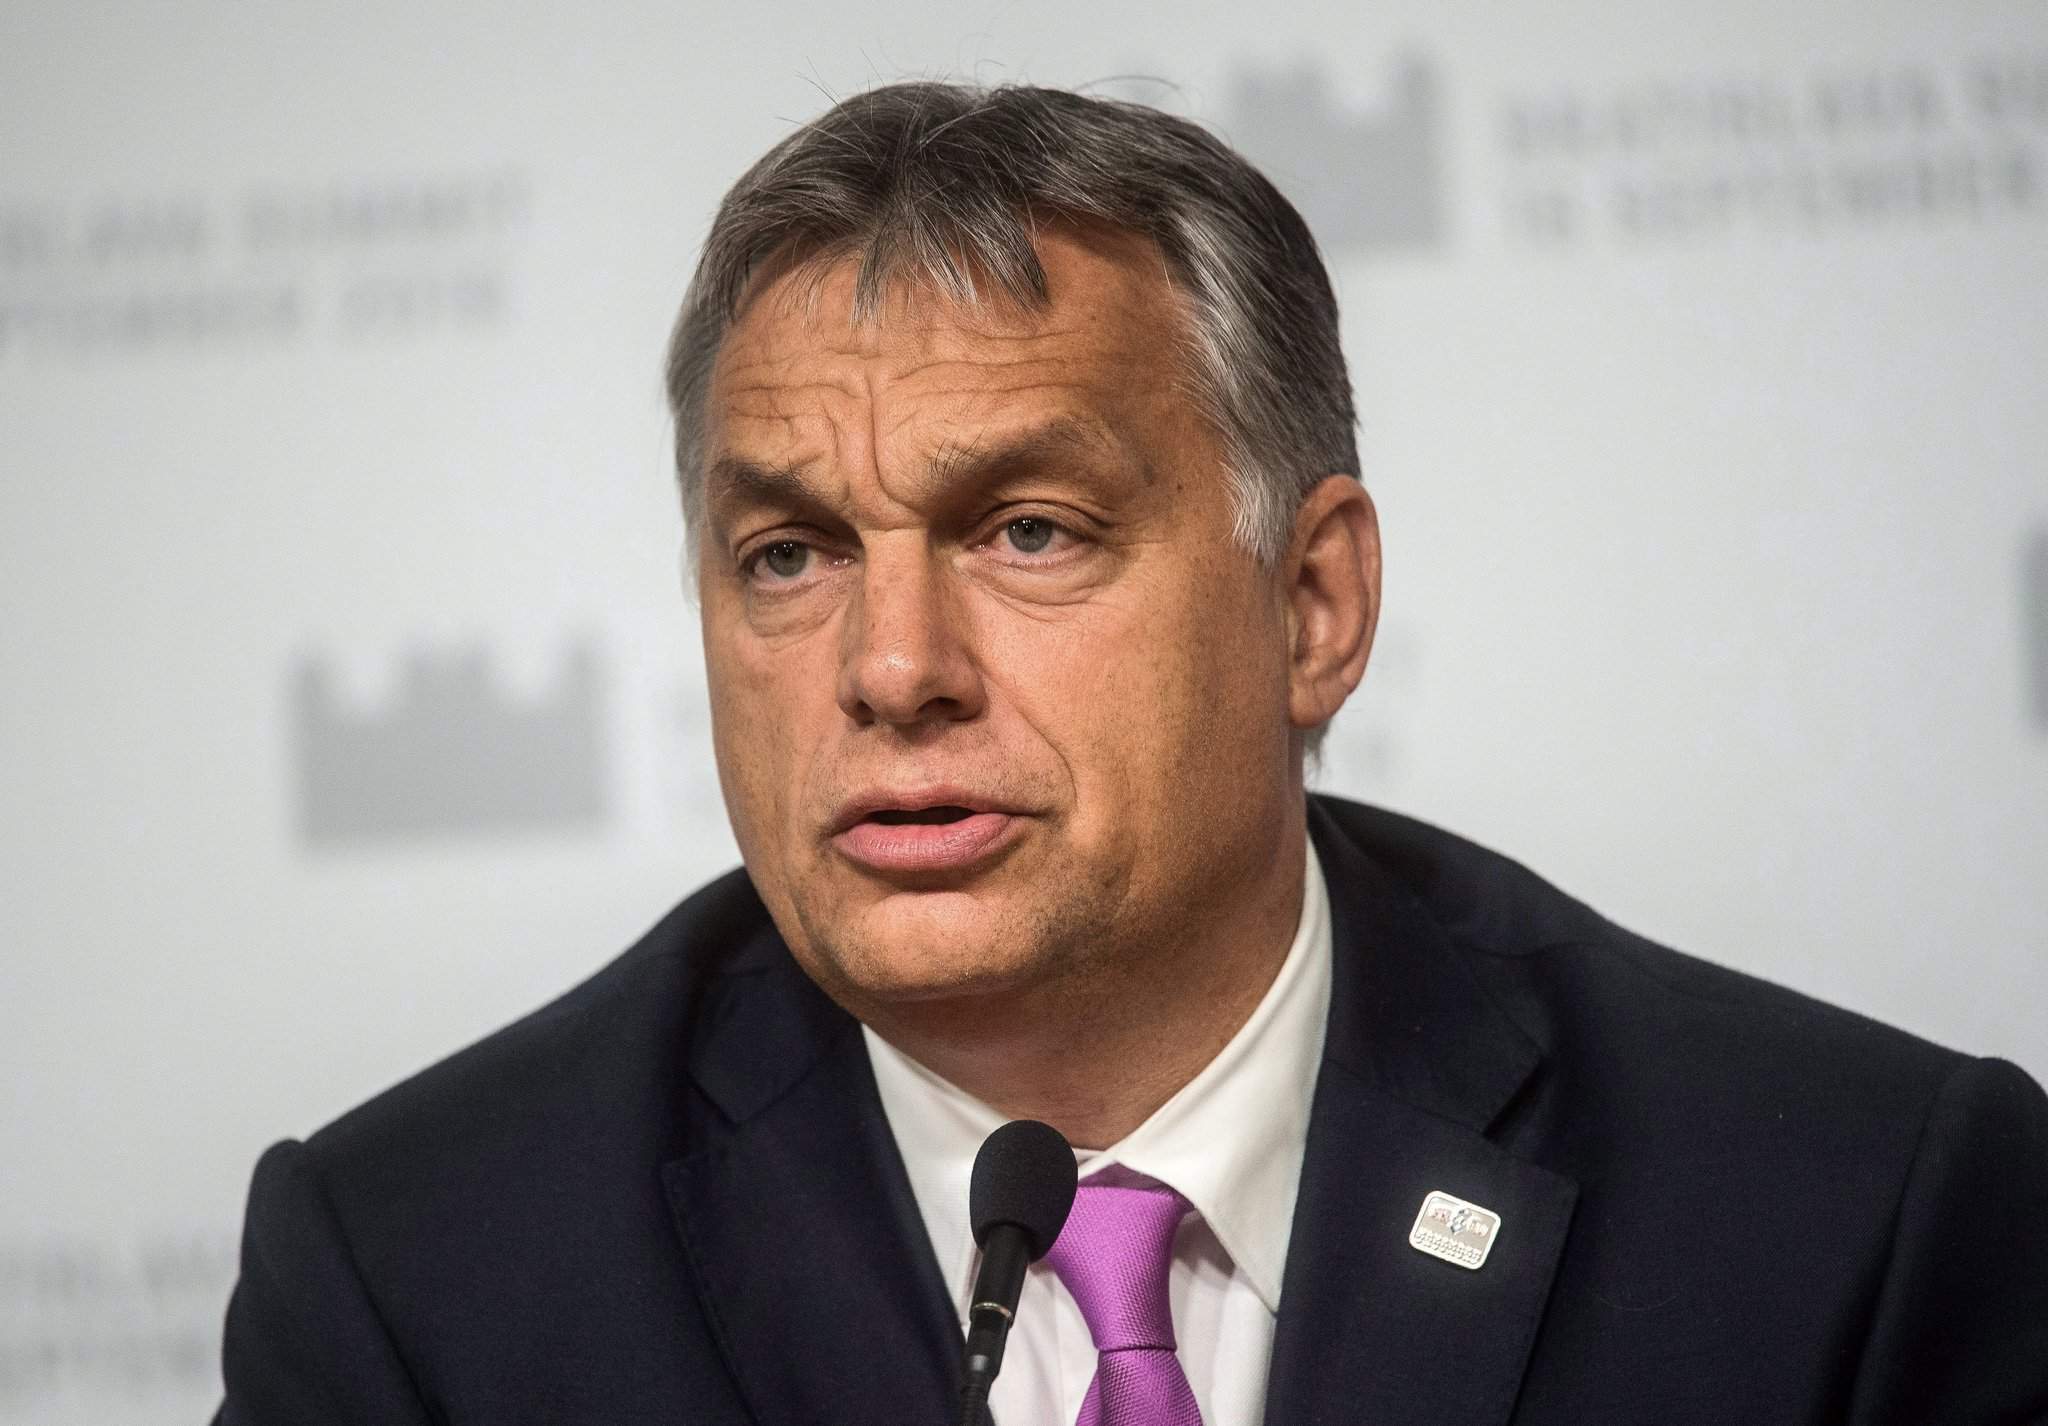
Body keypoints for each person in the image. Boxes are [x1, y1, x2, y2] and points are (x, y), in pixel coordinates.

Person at [213, 82, 2048, 1425]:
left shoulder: (1848, 1225)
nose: (893, 670)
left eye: (1030, 530)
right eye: (789, 555)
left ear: (1312, 606)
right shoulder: (423, 1287)